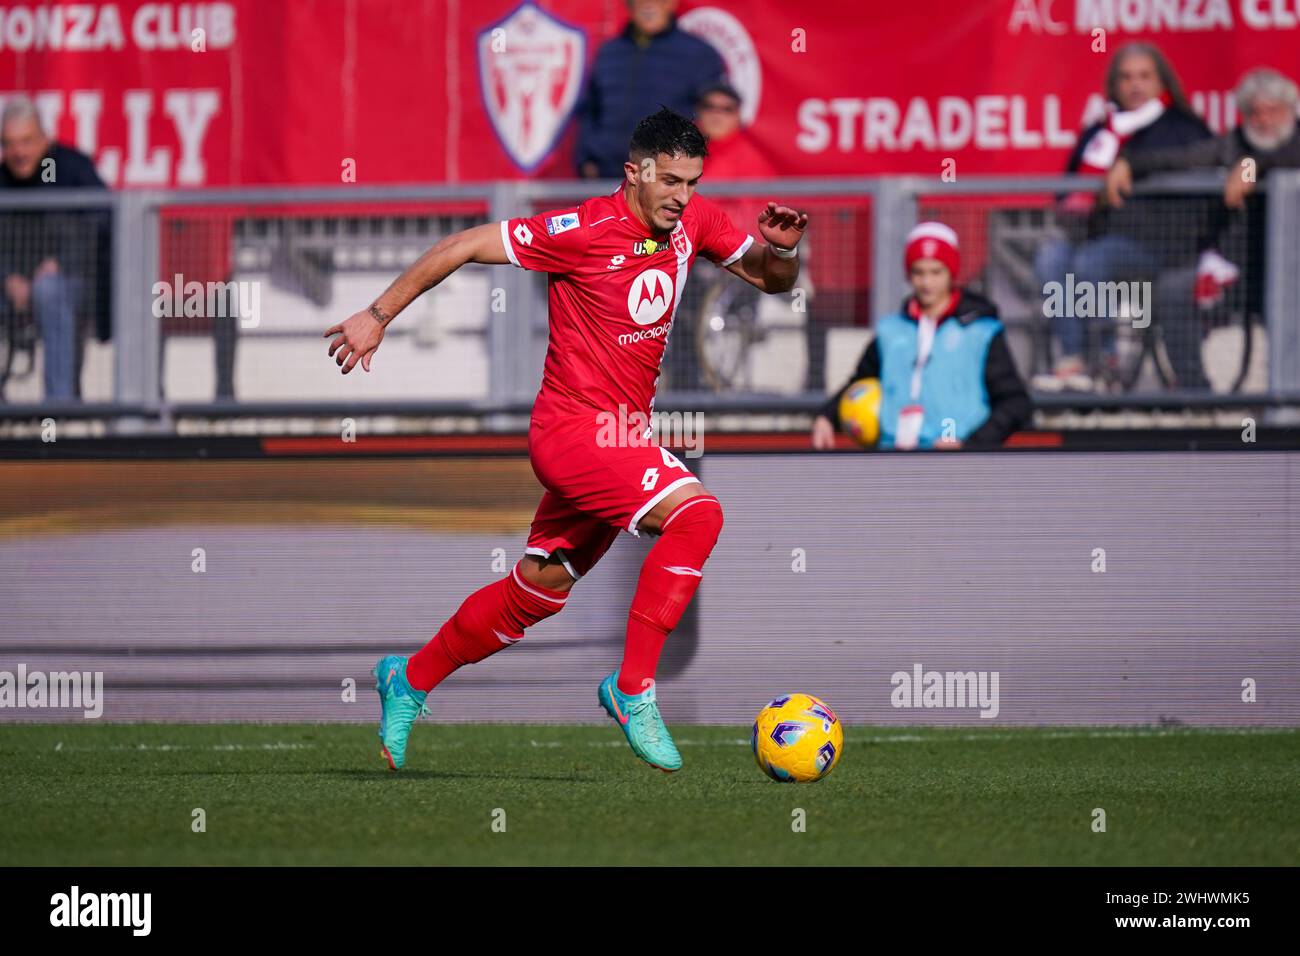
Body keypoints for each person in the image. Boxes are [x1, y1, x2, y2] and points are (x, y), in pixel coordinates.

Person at [325, 108, 808, 773]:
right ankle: (632, 687)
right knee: (699, 514)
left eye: (691, 182)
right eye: (669, 180)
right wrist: (378, 315)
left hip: (621, 435)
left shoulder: (694, 222)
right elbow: (463, 244)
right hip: (574, 431)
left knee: (538, 591)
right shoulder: (581, 229)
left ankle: (408, 678)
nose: (681, 196)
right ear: (633, 172)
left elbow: (773, 281)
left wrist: (782, 250)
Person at [1104, 67, 1300, 389]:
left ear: (1291, 111)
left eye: (1273, 112)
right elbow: (1178, 159)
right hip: (1237, 270)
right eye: (1255, 112)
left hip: (1291, 272)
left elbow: (1285, 157)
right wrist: (1128, 162)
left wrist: (1254, 166)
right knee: (1172, 290)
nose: (1264, 120)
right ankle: (1196, 394)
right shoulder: (1231, 145)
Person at [1033, 42, 1211, 390]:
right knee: (1051, 258)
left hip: (1163, 247)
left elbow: (1202, 183)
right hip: (1097, 238)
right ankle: (1074, 360)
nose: (1135, 85)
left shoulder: (1183, 127)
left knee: (1091, 260)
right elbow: (1066, 190)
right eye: (1126, 77)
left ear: (1162, 81)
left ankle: (1106, 361)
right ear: (1113, 84)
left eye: (1145, 76)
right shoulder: (1099, 131)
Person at [811, 222, 1031, 451]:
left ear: (951, 272)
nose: (927, 283)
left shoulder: (981, 332)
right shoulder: (891, 331)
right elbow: (860, 383)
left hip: (958, 464)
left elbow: (1015, 403)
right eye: (919, 272)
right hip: (894, 457)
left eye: (936, 272)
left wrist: (971, 445)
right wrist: (827, 416)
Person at [0, 96, 110, 402]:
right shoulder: (3, 178)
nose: (18, 152)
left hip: (74, 283)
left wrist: (61, 262)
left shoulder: (69, 167)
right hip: (12, 289)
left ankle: (59, 409)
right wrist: (8, 277)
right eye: (9, 144)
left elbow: (103, 219)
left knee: (49, 290)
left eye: (26, 141)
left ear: (44, 139)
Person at [574, 0, 725, 179]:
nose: (648, 4)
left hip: (665, 176)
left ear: (672, 3)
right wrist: (585, 160)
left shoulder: (699, 54)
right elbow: (591, 111)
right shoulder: (609, 52)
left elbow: (715, 117)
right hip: (607, 177)